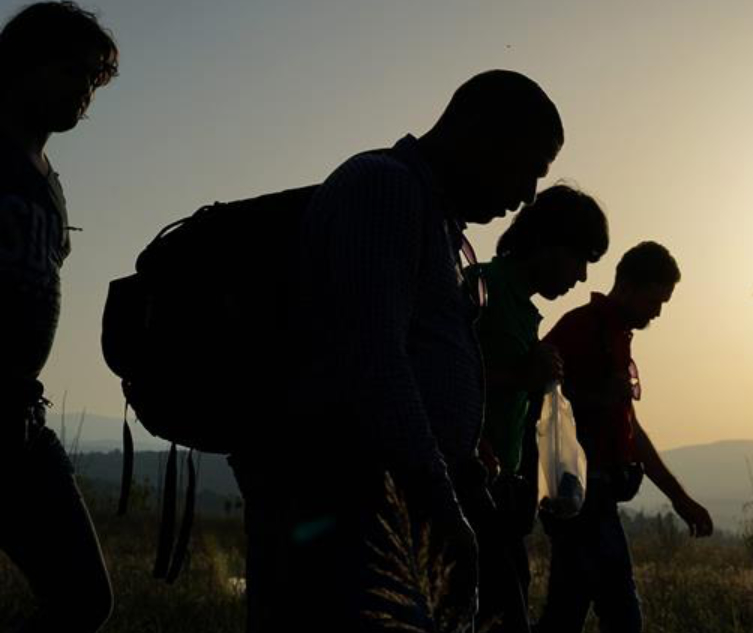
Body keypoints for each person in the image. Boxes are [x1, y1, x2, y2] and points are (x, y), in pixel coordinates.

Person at [230, 69, 564, 632]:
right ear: (482, 133)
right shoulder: (383, 190)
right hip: (349, 506)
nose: (529, 195)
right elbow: (374, 360)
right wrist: (439, 496)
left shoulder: (437, 221)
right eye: (530, 168)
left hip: (386, 505)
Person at [0, 2, 117, 631]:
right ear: (21, 64)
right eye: (71, 71)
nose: (83, 92)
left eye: (93, 79)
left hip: (20, 421)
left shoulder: (51, 182)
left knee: (84, 600)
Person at [536, 241, 714, 633]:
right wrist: (599, 398)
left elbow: (628, 431)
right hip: (581, 497)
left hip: (594, 498)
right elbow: (537, 401)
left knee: (567, 612)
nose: (657, 313)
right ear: (629, 286)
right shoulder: (581, 327)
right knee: (620, 615)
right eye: (654, 301)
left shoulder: (616, 336)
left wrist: (679, 499)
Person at [467, 184, 609, 632]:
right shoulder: (480, 288)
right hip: (466, 491)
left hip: (502, 495)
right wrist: (522, 377)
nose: (582, 277)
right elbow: (435, 378)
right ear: (547, 242)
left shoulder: (526, 313)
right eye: (579, 258)